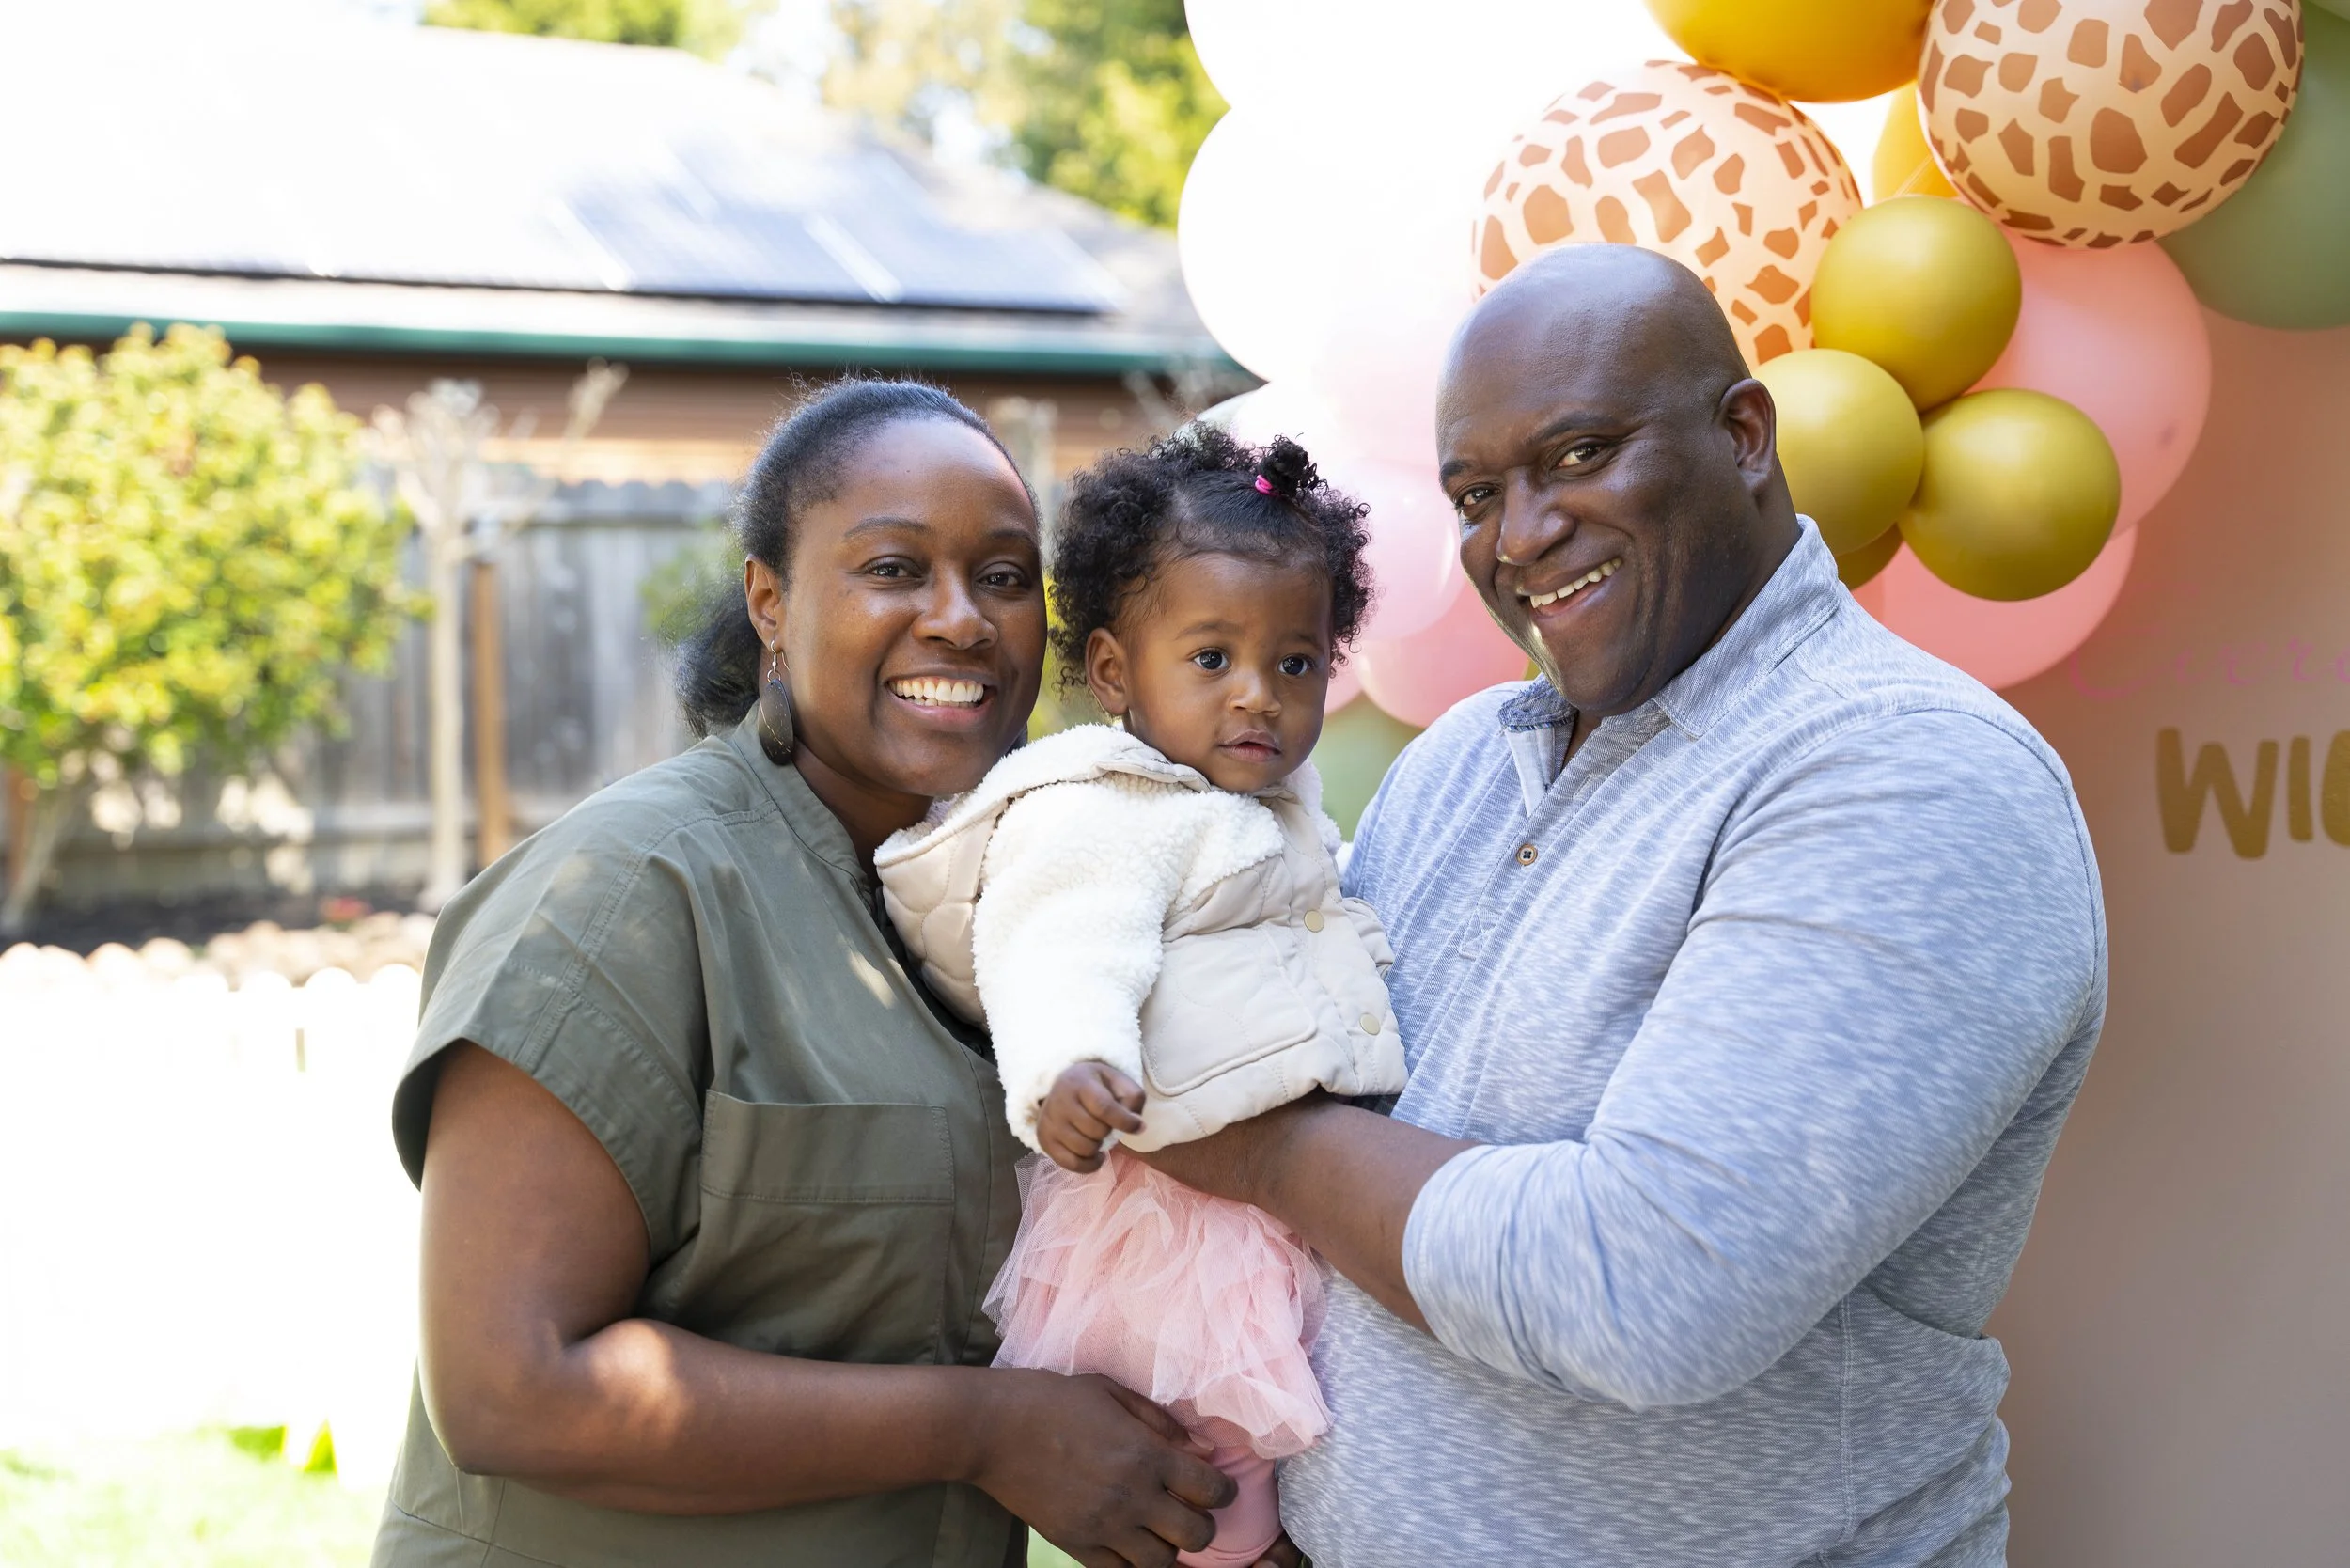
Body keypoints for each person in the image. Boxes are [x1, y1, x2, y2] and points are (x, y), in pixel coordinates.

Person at [1140, 245, 2108, 1565]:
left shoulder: (1911, 773)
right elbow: (1347, 1135)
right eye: (1478, 492)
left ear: (1746, 435)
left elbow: (1648, 1287)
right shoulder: (1460, 762)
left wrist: (1250, 1140)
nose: (1522, 534)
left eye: (1581, 455)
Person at [374, 379, 1253, 1568]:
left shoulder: (1043, 897)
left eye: (1002, 576)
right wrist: (981, 1432)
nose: (960, 618)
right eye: (893, 568)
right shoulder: (627, 896)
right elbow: (508, 1386)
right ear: (770, 604)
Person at [872, 427, 1407, 1567]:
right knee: (1212, 1477)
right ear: (1114, 673)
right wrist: (1070, 1064)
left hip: (1264, 1206)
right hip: (1167, 1236)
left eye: (1296, 663)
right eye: (1210, 659)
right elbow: (1063, 941)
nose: (1258, 695)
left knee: (1278, 1464)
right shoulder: (1106, 807)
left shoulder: (1268, 804)